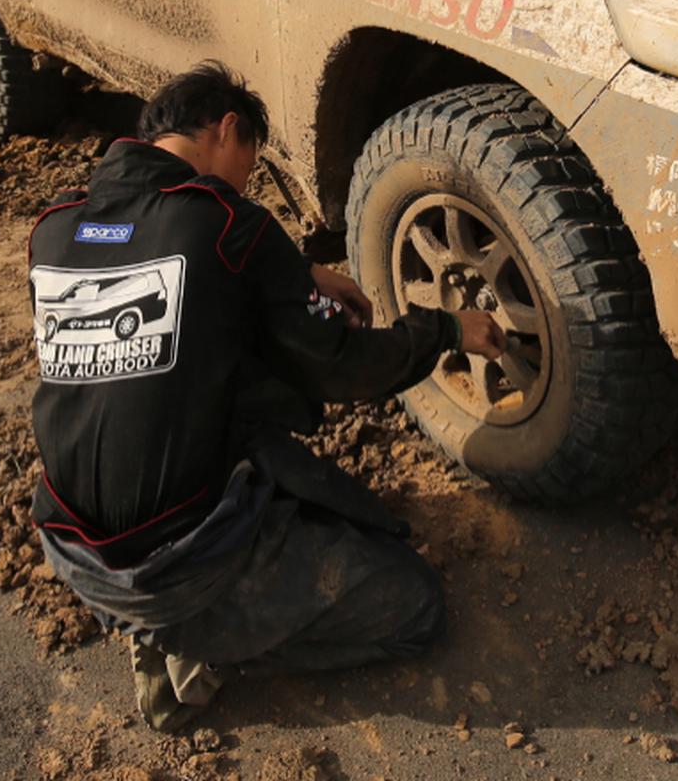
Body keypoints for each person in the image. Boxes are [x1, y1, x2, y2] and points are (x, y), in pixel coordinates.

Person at [27, 62, 505, 730]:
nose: (249, 180)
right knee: (417, 608)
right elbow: (341, 368)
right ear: (227, 130)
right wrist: (446, 328)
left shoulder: (56, 227)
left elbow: (161, 270)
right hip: (181, 558)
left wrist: (294, 271)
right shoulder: (229, 224)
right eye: (251, 160)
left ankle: (176, 617)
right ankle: (202, 650)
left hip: (74, 548)